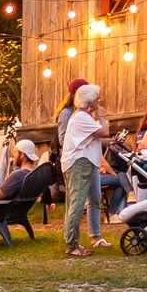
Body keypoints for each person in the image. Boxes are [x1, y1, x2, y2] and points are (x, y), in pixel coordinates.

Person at [61, 84, 108, 256]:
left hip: (79, 162)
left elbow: (96, 139)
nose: (98, 101)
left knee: (76, 202)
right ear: (89, 100)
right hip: (79, 163)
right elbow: (104, 132)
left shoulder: (82, 116)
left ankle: (72, 241)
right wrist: (101, 116)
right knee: (78, 203)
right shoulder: (81, 116)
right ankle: (72, 245)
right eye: (96, 98)